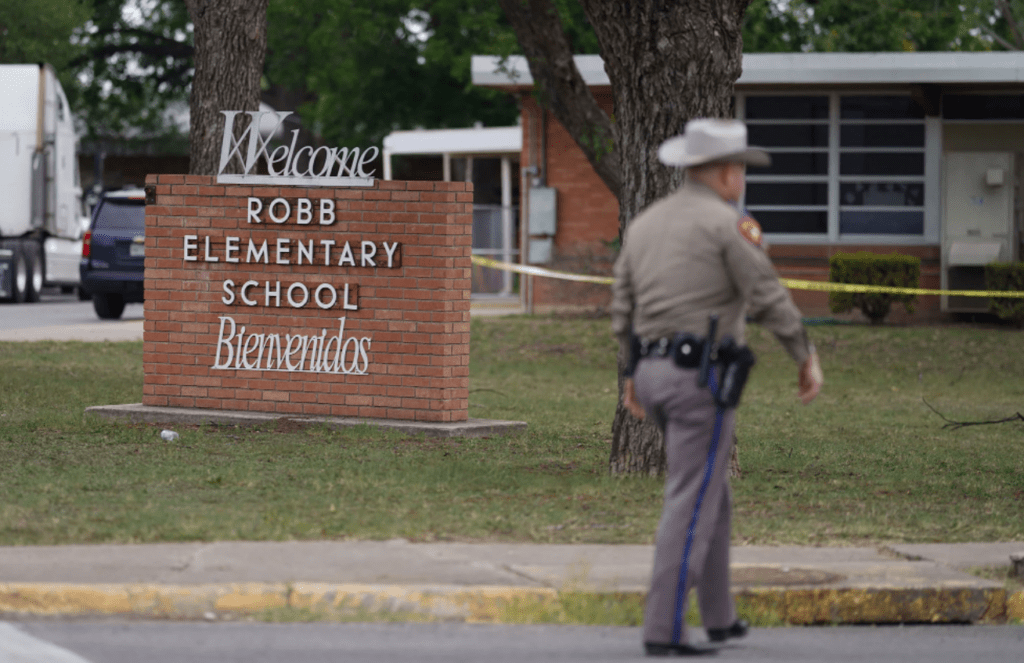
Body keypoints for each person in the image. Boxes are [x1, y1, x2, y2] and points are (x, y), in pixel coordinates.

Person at [610, 118, 823, 657]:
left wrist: (632, 375)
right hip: (697, 380)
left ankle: (721, 618)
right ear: (727, 172)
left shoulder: (645, 224)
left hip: (654, 374)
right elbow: (767, 294)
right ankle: (664, 630)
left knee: (711, 491)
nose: (743, 178)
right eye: (741, 169)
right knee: (690, 498)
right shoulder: (728, 224)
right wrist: (804, 355)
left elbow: (622, 308)